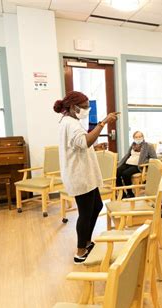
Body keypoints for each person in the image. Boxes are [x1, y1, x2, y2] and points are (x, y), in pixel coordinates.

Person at [53, 91, 118, 264]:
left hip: (83, 174)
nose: (87, 110)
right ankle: (80, 251)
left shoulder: (69, 121)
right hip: (80, 176)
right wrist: (103, 122)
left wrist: (93, 149)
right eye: (84, 107)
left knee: (96, 206)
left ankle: (87, 242)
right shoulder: (71, 124)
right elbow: (84, 142)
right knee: (85, 213)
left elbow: (78, 146)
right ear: (73, 107)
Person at [116, 131, 157, 198]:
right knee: (117, 171)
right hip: (128, 163)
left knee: (125, 174)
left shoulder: (148, 146)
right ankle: (122, 193)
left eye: (140, 136)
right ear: (133, 138)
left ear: (143, 137)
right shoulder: (133, 145)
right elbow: (128, 155)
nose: (138, 138)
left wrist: (145, 162)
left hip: (138, 165)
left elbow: (154, 158)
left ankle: (130, 193)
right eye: (136, 137)